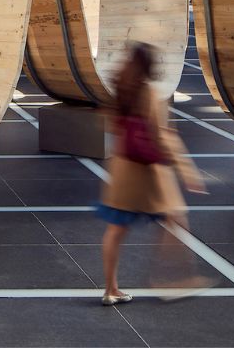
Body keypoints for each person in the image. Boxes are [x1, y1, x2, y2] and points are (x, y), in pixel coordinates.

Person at [97, 42, 206, 306]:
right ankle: (173, 279)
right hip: (149, 174)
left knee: (116, 230)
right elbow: (162, 137)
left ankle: (111, 289)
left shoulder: (121, 91)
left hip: (123, 172)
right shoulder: (150, 94)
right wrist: (185, 169)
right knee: (176, 218)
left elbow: (113, 126)